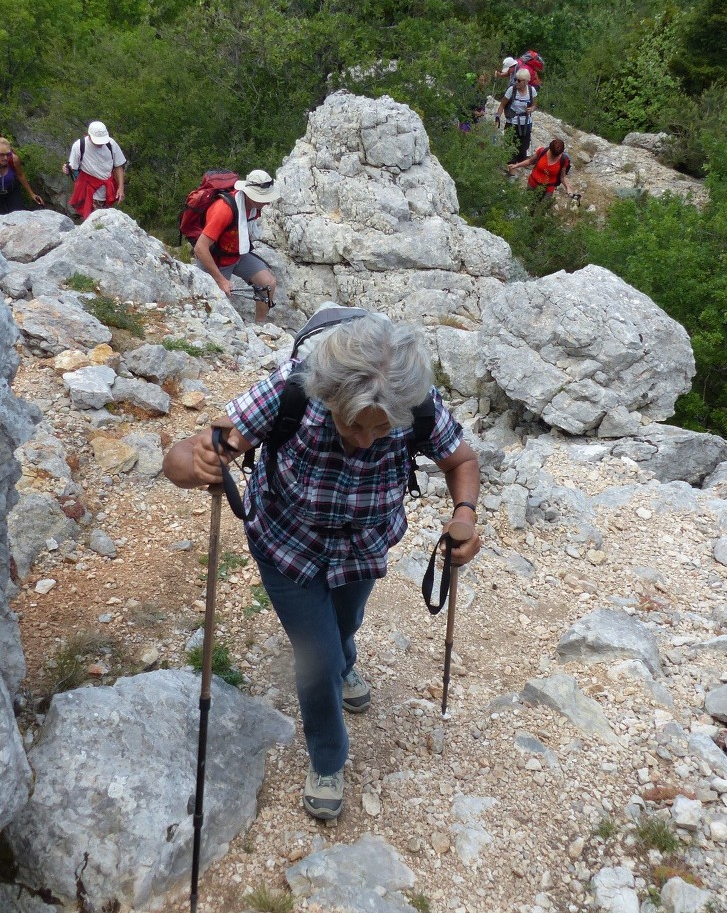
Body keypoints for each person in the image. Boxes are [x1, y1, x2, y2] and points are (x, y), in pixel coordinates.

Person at [162, 314, 482, 821]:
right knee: (318, 661)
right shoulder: (292, 389)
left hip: (364, 546)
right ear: (327, 396)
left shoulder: (415, 402)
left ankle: (346, 664)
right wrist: (191, 463)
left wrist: (464, 514)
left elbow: (461, 461)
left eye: (382, 428)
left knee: (345, 627)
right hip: (287, 545)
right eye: (352, 423)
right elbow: (193, 453)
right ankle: (328, 759)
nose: (365, 439)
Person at [193, 169, 279, 324]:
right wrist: (220, 280)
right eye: (264, 198)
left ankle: (259, 328)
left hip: (237, 253)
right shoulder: (224, 210)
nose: (268, 202)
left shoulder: (253, 207)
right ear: (250, 195)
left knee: (268, 284)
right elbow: (200, 248)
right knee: (215, 310)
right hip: (216, 260)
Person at [64, 121, 126, 221]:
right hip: (88, 189)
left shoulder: (111, 144)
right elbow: (73, 167)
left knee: (103, 220)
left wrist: (121, 188)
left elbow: (119, 165)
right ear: (88, 136)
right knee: (93, 220)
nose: (100, 143)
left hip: (107, 190)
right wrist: (66, 169)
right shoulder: (79, 146)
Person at [507, 138, 575, 198]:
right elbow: (530, 161)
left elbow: (562, 177)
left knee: (540, 210)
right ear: (550, 149)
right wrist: (516, 165)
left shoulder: (564, 159)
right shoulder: (542, 151)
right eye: (553, 155)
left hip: (548, 190)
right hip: (532, 184)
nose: (556, 157)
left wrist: (568, 188)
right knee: (528, 206)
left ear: (562, 152)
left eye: (558, 155)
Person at [495, 68, 537, 163]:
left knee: (523, 148)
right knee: (510, 147)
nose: (516, 82)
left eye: (518, 80)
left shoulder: (531, 90)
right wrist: (497, 118)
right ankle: (511, 170)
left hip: (526, 123)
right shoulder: (511, 90)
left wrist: (532, 109)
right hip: (512, 122)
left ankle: (518, 165)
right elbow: (502, 104)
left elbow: (534, 105)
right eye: (515, 79)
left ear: (526, 81)